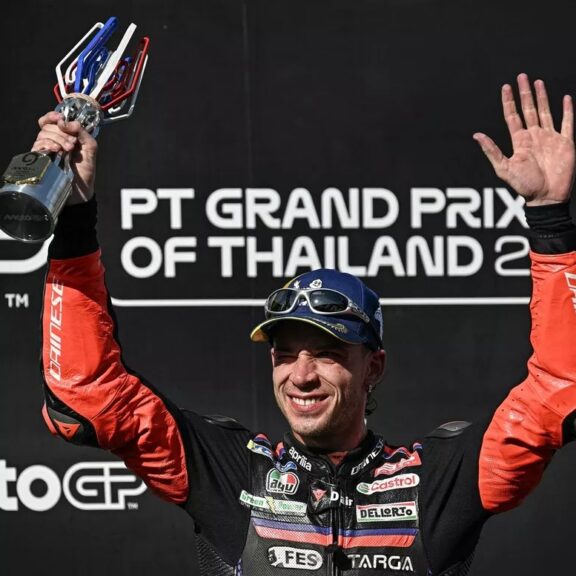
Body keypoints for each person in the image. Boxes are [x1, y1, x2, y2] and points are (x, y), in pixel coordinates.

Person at [37, 74, 576, 575]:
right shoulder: (230, 475)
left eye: (327, 352)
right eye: (285, 352)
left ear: (374, 367)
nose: (301, 375)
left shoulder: (437, 483)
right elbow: (86, 399)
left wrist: (549, 218)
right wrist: (74, 221)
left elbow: (560, 394)